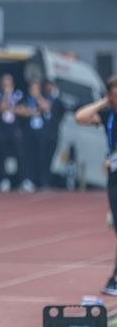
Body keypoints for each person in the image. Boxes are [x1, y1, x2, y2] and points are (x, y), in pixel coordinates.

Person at [75, 75, 117, 295]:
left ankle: (114, 279)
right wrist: (103, 103)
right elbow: (80, 117)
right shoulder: (108, 113)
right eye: (114, 95)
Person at [0, 74, 25, 192]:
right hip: (2, 129)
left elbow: (23, 110)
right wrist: (6, 95)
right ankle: (4, 180)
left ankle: (21, 180)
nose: (7, 85)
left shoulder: (18, 94)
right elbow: (0, 108)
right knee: (1, 156)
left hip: (15, 129)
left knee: (20, 155)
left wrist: (12, 107)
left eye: (9, 83)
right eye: (5, 83)